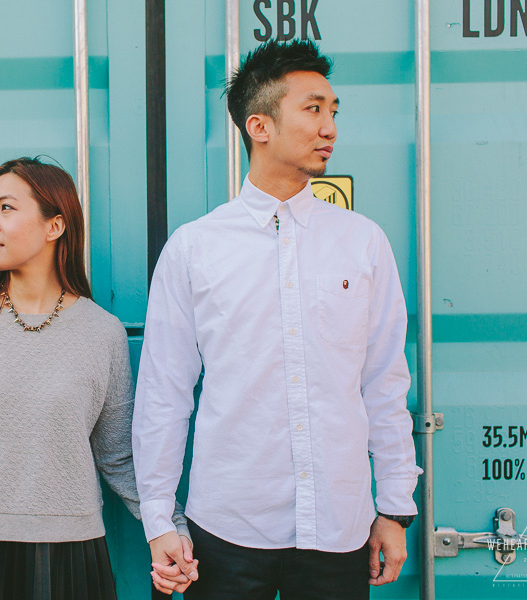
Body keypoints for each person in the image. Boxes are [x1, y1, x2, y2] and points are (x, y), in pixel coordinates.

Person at [132, 39, 422, 598]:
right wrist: (159, 520)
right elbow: (164, 393)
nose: (329, 126)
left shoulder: (362, 242)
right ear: (258, 126)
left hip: (340, 528)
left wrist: (395, 507)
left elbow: (384, 381)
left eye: (333, 111)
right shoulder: (195, 248)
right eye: (313, 109)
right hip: (227, 530)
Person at [0, 157, 188, 600]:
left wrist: (169, 527)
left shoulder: (102, 332)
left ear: (55, 225)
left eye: (5, 208)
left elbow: (117, 456)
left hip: (67, 556)